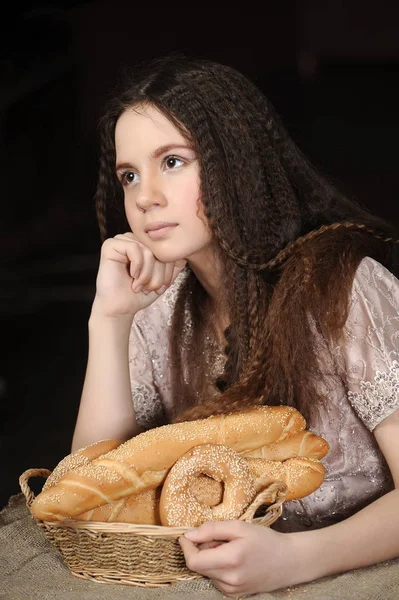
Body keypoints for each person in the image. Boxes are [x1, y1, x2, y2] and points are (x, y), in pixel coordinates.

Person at [71, 55, 399, 596]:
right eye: (129, 175)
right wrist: (109, 320)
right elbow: (89, 489)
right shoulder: (158, 303)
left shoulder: (342, 288)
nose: (144, 196)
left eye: (172, 162)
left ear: (235, 162)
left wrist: (296, 559)